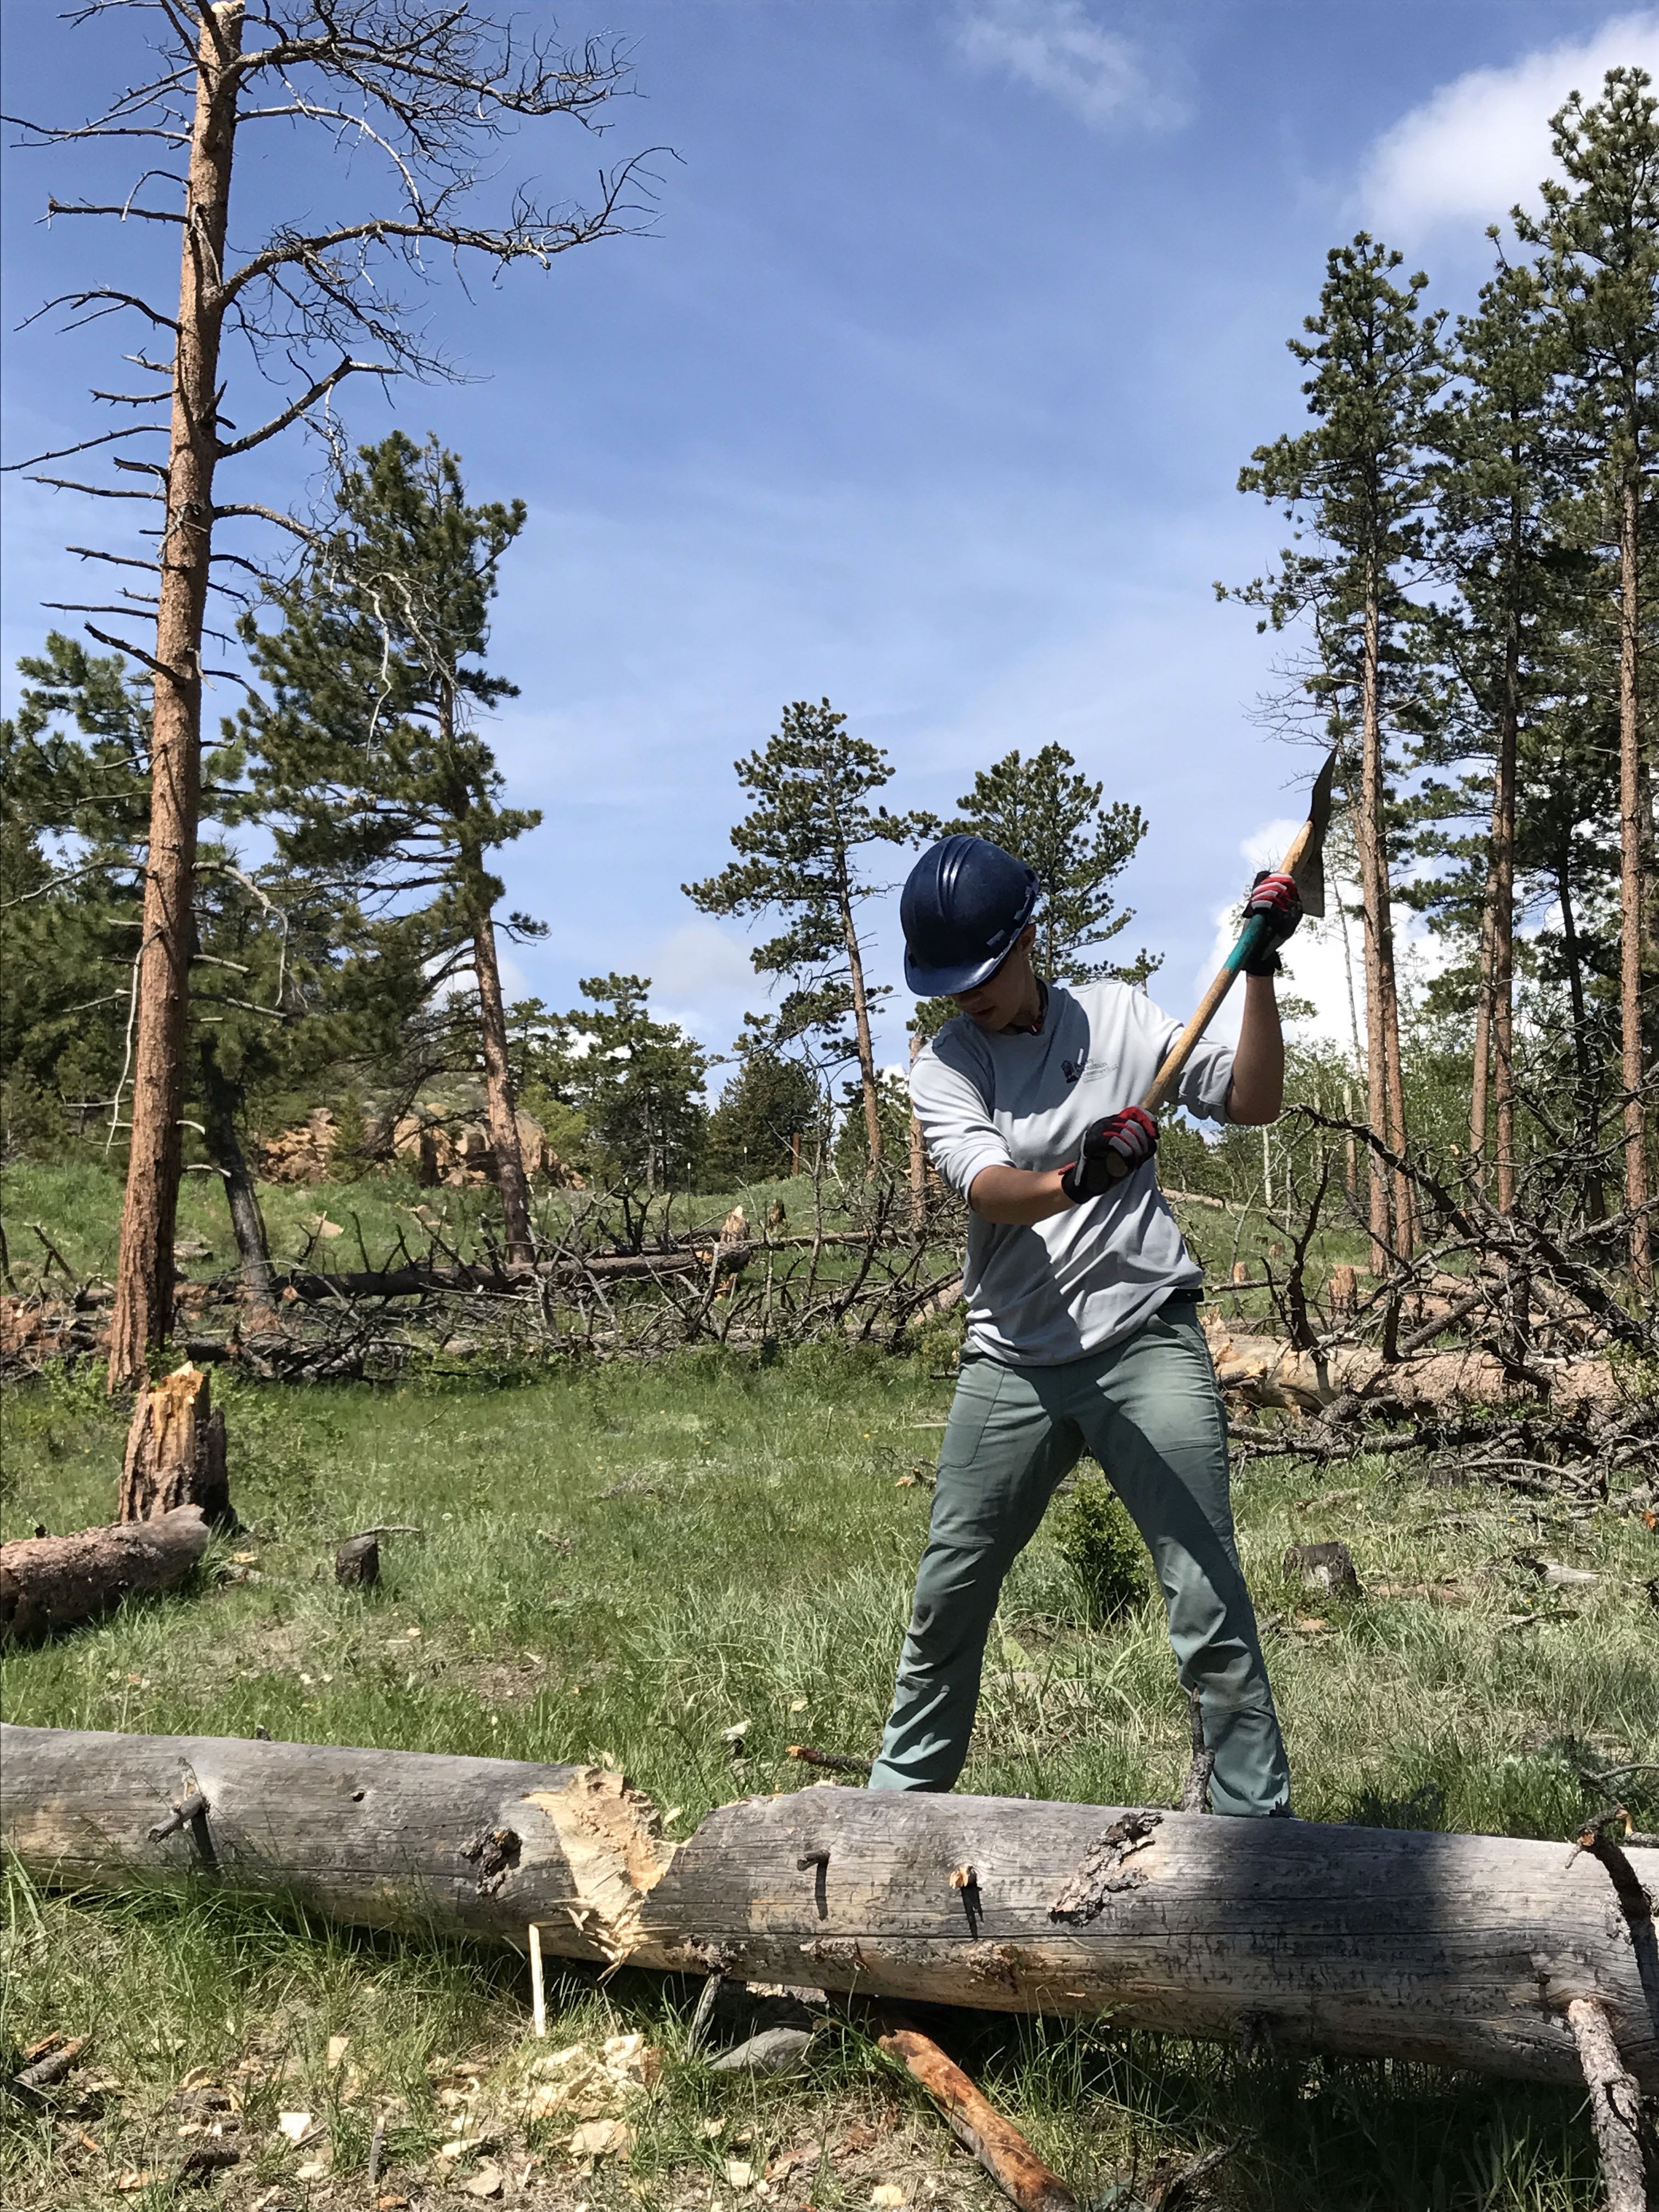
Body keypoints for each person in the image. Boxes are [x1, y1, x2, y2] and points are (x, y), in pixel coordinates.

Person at [870, 832, 1302, 1816]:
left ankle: (1259, 1848)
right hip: (1011, 1360)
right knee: (949, 1599)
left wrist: (1262, 969)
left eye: (981, 971)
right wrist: (1078, 1177)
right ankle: (886, 1824)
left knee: (1207, 1602)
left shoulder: (1117, 1015)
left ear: (1029, 938)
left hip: (1145, 1336)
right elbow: (988, 1189)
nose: (965, 995)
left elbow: (1254, 1100)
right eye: (948, 980)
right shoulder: (948, 1064)